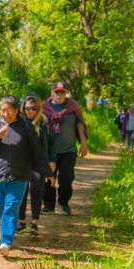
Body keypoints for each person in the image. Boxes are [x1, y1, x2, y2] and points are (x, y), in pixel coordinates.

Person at [0, 95, 55, 257]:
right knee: (2, 208)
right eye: (3, 111)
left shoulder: (26, 127)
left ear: (16, 111)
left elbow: (38, 152)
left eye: (9, 111)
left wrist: (48, 173)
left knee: (10, 207)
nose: (6, 114)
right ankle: (8, 237)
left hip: (19, 176)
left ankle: (5, 242)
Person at [41, 81, 88, 215]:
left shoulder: (73, 106)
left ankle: (64, 203)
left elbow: (80, 125)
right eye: (57, 92)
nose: (59, 95)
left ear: (66, 93)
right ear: (52, 93)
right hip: (50, 151)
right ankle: (49, 205)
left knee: (66, 178)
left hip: (69, 150)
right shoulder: (44, 108)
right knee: (49, 178)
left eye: (62, 92)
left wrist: (83, 144)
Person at [17, 95, 53, 235]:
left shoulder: (43, 123)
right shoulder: (19, 122)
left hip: (37, 163)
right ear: (23, 108)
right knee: (22, 192)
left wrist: (48, 166)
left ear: (38, 108)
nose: (29, 111)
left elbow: (47, 146)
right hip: (22, 163)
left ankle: (34, 223)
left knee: (36, 191)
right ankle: (21, 222)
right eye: (27, 108)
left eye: (33, 108)